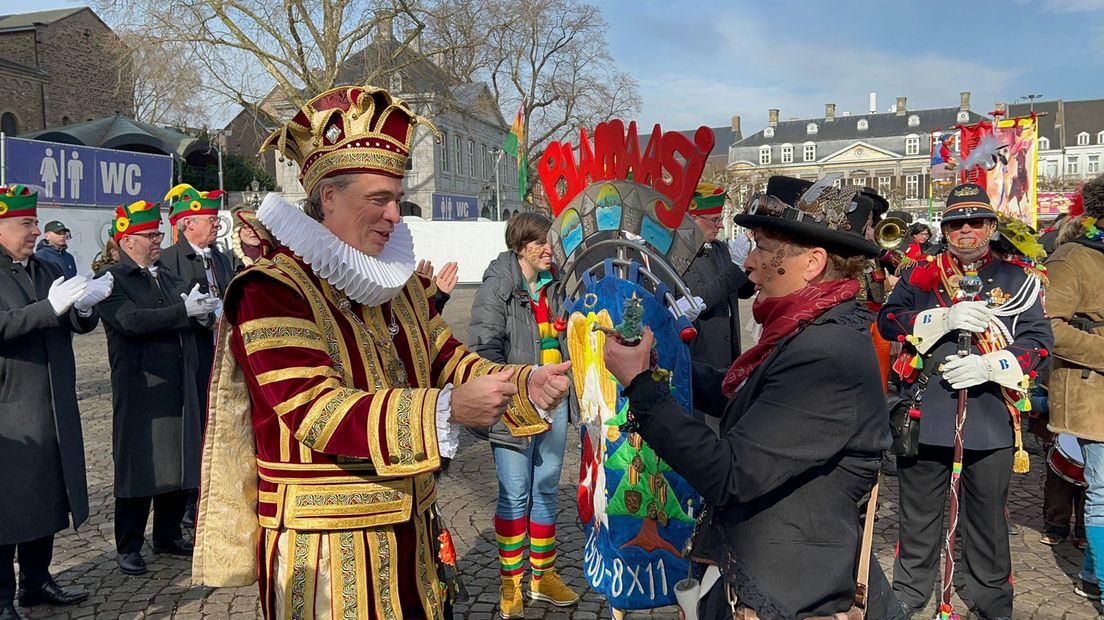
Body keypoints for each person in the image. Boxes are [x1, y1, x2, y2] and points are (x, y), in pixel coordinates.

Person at [191, 85, 572, 620]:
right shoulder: (271, 289)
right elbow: (314, 409)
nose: (396, 213)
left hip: (409, 531)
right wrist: (446, 409)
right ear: (328, 197)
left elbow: (448, 358)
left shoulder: (399, 284)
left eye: (396, 196)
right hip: (326, 556)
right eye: (378, 199)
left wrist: (523, 383)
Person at [604, 178, 896, 619]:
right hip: (764, 572)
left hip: (786, 596)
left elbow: (728, 473)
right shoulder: (808, 329)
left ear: (813, 263)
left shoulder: (827, 355)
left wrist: (641, 389)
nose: (751, 264)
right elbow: (741, 394)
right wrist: (659, 366)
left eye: (762, 247)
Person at [879, 183, 1052, 619]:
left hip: (990, 414)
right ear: (946, 228)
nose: (967, 231)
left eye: (977, 222)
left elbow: (1039, 341)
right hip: (926, 411)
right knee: (917, 518)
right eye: (957, 223)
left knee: (988, 523)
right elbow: (888, 321)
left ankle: (992, 599)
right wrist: (937, 318)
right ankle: (910, 590)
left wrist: (995, 365)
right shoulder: (923, 274)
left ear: (991, 227)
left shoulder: (1018, 278)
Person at [0, 185, 113, 620]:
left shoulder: (46, 266)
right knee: (9, 503)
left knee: (48, 493)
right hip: (11, 403)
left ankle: (36, 580)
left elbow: (72, 321)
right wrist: (48, 310)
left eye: (33, 222)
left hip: (52, 397)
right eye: (25, 224)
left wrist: (85, 309)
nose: (34, 231)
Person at [467, 212, 579, 618]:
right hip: (514, 405)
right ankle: (511, 582)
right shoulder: (497, 287)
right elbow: (481, 353)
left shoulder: (559, 286)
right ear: (520, 246)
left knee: (546, 491)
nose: (548, 248)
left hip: (556, 403)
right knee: (516, 495)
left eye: (550, 241)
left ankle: (543, 575)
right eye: (540, 242)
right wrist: (518, 386)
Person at [98, 200, 218, 576]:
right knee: (139, 466)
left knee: (178, 462)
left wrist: (203, 314)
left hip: (179, 381)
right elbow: (131, 322)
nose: (158, 240)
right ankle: (129, 544)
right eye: (150, 235)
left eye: (157, 234)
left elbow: (187, 312)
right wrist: (185, 312)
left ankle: (166, 535)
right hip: (141, 387)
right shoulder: (114, 280)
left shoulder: (164, 275)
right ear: (127, 240)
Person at [1044, 173, 1104, 600]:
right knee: (1103, 492)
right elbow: (1049, 327)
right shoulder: (1072, 256)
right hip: (1091, 391)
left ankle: (1089, 576)